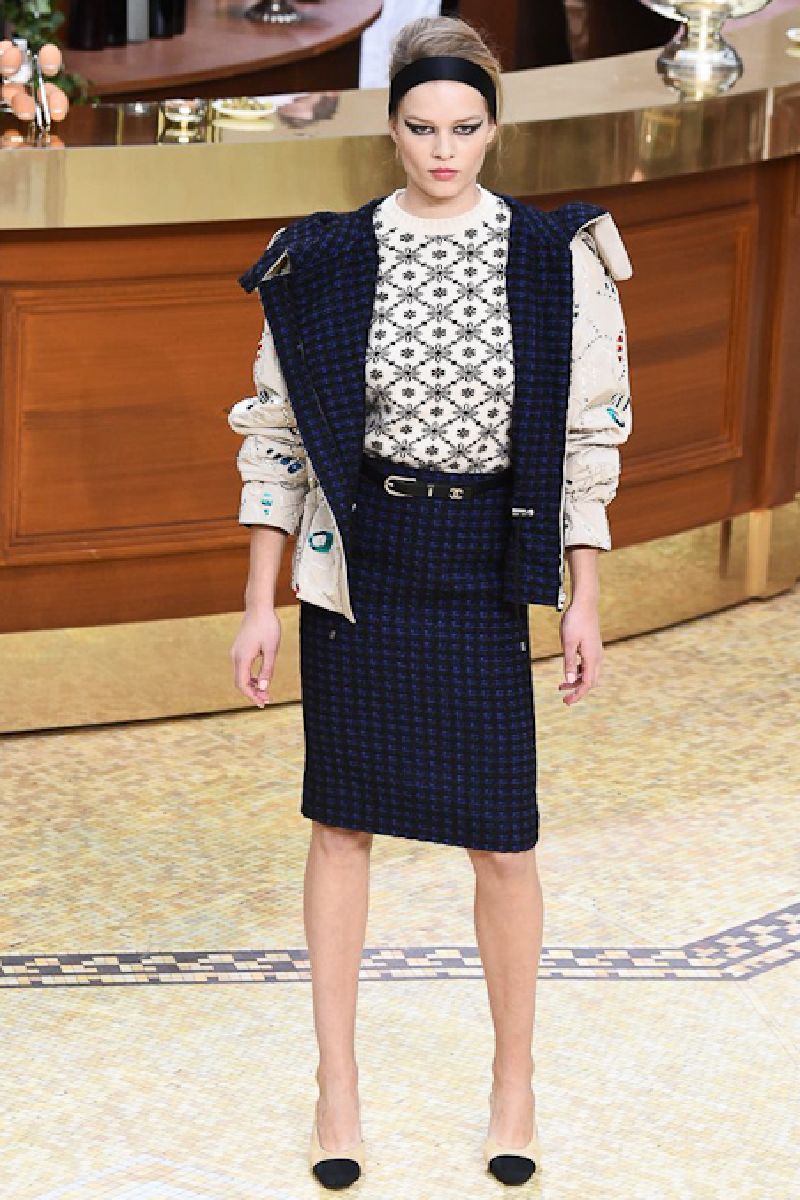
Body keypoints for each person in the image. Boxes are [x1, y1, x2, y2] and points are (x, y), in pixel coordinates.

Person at [228, 14, 633, 1190]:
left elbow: (587, 440)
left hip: (483, 563)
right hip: (362, 563)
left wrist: (583, 594)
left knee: (502, 842)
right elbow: (278, 439)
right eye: (420, 128)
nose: (442, 151)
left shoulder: (552, 256)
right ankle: (336, 1090)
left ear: (493, 126)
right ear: (390, 127)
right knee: (340, 823)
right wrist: (257, 602)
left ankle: (513, 1086)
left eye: (463, 128)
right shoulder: (326, 256)